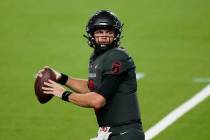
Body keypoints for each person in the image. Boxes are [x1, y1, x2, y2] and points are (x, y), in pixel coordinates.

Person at [41, 10, 145, 140]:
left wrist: (64, 94)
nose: (104, 36)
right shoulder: (97, 57)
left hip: (124, 133)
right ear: (91, 35)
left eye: (109, 32)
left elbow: (98, 100)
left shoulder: (117, 57)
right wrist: (62, 78)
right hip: (111, 133)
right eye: (99, 32)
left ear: (116, 35)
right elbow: (93, 87)